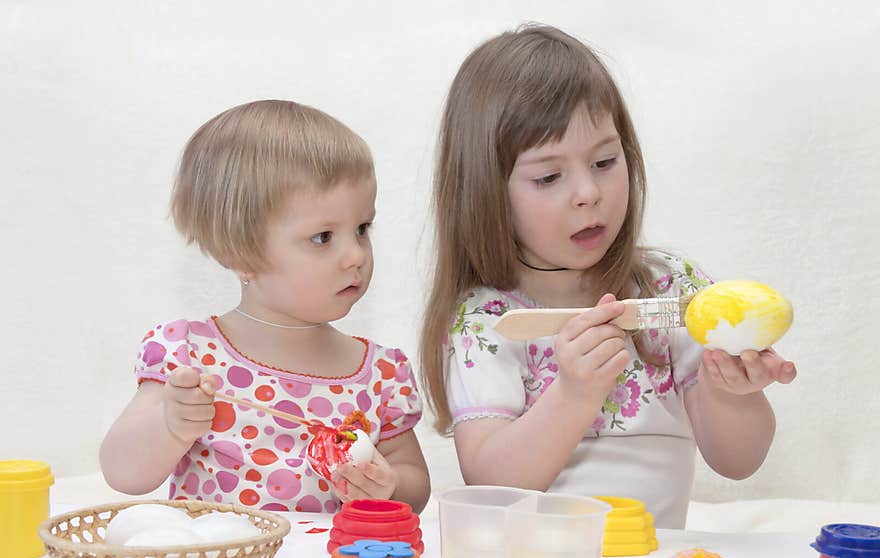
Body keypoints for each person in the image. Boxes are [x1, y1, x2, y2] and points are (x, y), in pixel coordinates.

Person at [418, 24, 797, 528]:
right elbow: (491, 484)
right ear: (487, 193)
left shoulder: (671, 288)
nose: (587, 192)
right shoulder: (488, 319)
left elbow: (739, 462)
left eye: (604, 161)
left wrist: (732, 391)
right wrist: (573, 395)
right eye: (549, 176)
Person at [101, 100, 431, 514]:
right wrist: (171, 424)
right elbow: (123, 473)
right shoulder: (189, 358)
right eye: (323, 237)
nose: (356, 255)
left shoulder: (380, 375)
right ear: (239, 254)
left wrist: (390, 485)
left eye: (362, 229)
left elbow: (415, 489)